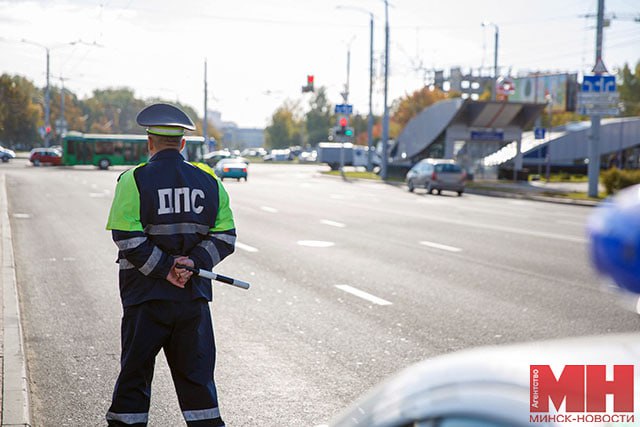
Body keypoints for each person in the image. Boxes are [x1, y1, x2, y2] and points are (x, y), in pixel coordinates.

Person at [105, 103, 236, 426]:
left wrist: (165, 268)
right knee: (198, 386)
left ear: (149, 142)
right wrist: (191, 263)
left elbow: (126, 237)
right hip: (192, 300)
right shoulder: (209, 182)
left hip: (144, 299)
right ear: (182, 144)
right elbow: (226, 237)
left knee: (134, 382)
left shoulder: (133, 180)